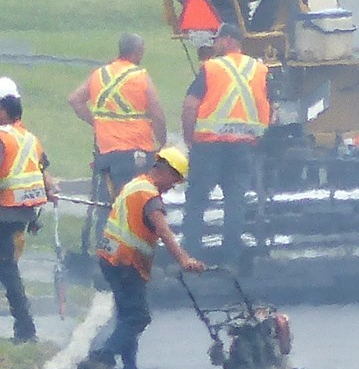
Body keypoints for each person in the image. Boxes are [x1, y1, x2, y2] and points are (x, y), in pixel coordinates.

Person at [78, 148, 205, 369]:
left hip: (110, 258)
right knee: (138, 316)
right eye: (174, 180)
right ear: (166, 171)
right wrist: (184, 260)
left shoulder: (135, 185)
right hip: (127, 261)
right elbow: (163, 231)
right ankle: (102, 358)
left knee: (127, 314)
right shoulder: (150, 197)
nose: (172, 187)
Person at [182, 23, 270, 262]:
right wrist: (257, 137)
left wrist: (189, 138)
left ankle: (190, 256)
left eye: (217, 39)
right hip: (242, 146)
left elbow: (190, 106)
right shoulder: (259, 69)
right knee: (235, 203)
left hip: (208, 146)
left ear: (229, 40)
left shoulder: (211, 68)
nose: (214, 43)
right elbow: (267, 107)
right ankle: (230, 259)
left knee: (197, 200)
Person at [67, 33, 168, 239]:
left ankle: (103, 247)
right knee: (138, 203)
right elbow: (157, 113)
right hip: (137, 153)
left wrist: (97, 123)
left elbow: (75, 100)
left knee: (107, 205)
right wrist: (163, 141)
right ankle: (132, 247)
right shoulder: (140, 77)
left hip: (106, 153)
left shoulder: (100, 74)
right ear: (138, 52)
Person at [0, 80, 60, 343]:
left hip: (5, 211)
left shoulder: (3, 138)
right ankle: (25, 328)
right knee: (7, 268)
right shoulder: (28, 137)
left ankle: (26, 329)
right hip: (22, 213)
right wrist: (50, 189)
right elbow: (43, 171)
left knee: (7, 269)